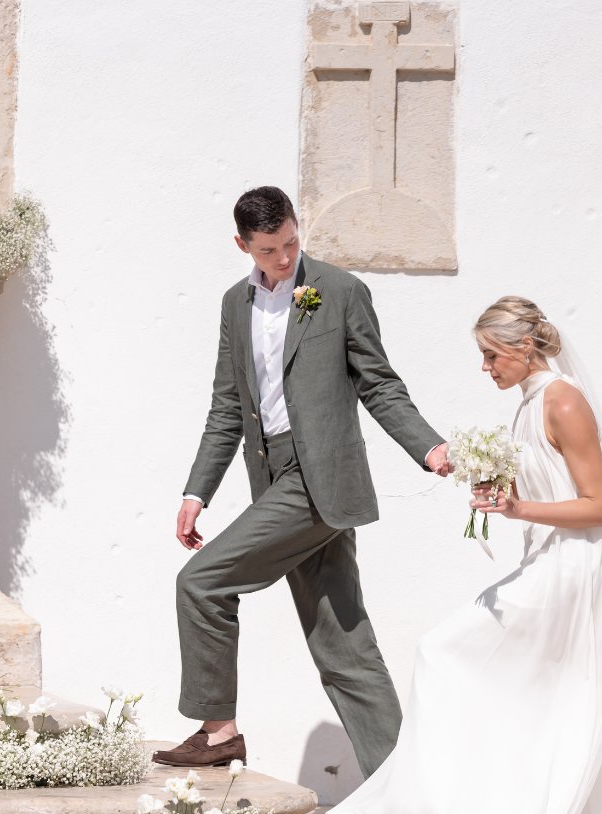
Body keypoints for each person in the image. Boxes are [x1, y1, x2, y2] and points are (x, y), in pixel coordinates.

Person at [326, 297, 602, 814]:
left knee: (446, 652)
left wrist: (518, 506)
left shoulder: (563, 399)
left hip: (569, 571)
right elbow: (549, 483)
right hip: (547, 560)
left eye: (491, 355)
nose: (485, 367)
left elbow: (599, 507)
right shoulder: (528, 405)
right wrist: (495, 482)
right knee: (540, 700)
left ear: (524, 348)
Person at [156, 185, 448, 774]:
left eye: (291, 242)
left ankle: (218, 733)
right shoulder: (233, 307)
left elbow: (379, 383)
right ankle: (403, 787)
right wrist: (196, 491)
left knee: (202, 582)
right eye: (269, 250)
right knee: (342, 641)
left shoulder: (339, 291)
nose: (285, 258)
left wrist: (429, 447)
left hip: (320, 480)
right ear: (243, 245)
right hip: (275, 477)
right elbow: (228, 408)